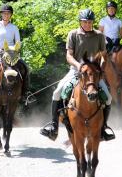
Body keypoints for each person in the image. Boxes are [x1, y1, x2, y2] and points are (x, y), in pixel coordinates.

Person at [40, 9, 115, 141]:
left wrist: (101, 68)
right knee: (57, 92)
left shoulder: (99, 36)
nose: (87, 24)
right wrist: (78, 65)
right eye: (85, 22)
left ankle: (103, 128)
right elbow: (69, 55)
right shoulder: (73, 34)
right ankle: (54, 127)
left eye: (90, 22)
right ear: (80, 22)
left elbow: (103, 56)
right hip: (76, 70)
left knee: (108, 98)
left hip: (94, 74)